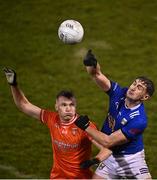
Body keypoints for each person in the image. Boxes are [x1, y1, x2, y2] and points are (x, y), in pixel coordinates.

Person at [3, 67, 112, 179]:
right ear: (56, 107)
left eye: (71, 105)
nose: (68, 108)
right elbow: (23, 105)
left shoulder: (85, 126)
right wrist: (13, 85)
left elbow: (107, 148)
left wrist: (94, 161)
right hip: (57, 177)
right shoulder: (51, 118)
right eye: (64, 105)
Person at [74, 50, 155, 179]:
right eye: (134, 83)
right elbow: (97, 75)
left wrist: (86, 126)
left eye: (139, 87)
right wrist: (92, 64)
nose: (133, 87)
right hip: (109, 156)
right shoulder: (120, 93)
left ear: (145, 97)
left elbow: (108, 141)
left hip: (131, 160)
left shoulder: (139, 120)